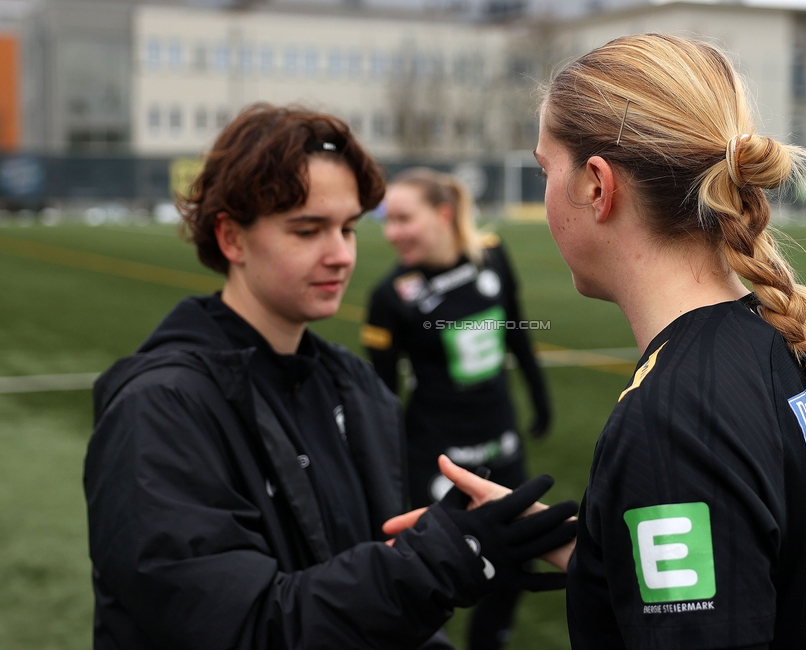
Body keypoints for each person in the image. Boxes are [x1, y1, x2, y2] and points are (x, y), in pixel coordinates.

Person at [82, 104, 577, 650]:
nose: (341, 255)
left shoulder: (359, 390)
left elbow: (375, 617)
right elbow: (240, 628)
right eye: (308, 229)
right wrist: (440, 559)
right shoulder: (160, 407)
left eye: (347, 228)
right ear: (231, 239)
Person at [529, 33, 806, 649]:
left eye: (544, 170)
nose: (544, 193)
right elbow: (755, 570)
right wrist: (574, 543)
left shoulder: (675, 415)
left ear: (595, 184)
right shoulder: (801, 342)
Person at [361, 167, 552, 650]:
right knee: (433, 565)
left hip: (501, 437)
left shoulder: (491, 254)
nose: (392, 233)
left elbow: (516, 331)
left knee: (518, 556)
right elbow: (383, 397)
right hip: (435, 452)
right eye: (388, 220)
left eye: (404, 218)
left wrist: (539, 395)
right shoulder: (389, 298)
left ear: (443, 214)